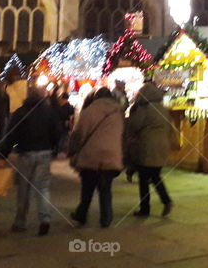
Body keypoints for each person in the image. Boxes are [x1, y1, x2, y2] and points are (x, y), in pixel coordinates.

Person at [0, 85, 61, 235]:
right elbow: (57, 132)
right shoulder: (49, 112)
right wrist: (54, 148)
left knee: (23, 188)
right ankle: (45, 218)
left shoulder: (20, 112)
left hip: (26, 153)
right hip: (44, 152)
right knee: (43, 188)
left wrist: (3, 154)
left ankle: (20, 222)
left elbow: (11, 135)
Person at [67, 87, 123, 228]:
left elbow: (79, 133)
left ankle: (82, 214)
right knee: (105, 189)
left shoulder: (90, 111)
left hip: (91, 155)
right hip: (111, 156)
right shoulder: (118, 112)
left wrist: (72, 149)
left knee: (87, 188)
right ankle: (106, 218)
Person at [124, 81, 173, 217]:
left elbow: (135, 125)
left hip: (147, 147)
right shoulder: (163, 109)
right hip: (161, 147)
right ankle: (166, 201)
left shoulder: (144, 109)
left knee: (144, 179)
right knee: (155, 175)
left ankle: (145, 208)